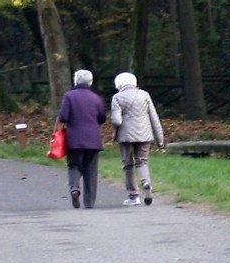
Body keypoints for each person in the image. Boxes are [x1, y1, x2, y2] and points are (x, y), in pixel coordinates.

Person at [109, 70, 166, 207]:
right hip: (144, 134)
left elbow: (117, 121)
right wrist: (160, 140)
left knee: (128, 165)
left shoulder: (117, 97)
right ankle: (146, 182)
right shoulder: (145, 95)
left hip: (125, 136)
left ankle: (134, 196)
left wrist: (115, 122)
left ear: (119, 83)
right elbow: (154, 117)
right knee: (142, 162)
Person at [55, 67, 109, 210]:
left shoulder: (69, 96)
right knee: (91, 171)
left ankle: (74, 188)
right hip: (93, 140)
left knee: (74, 165)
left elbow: (63, 117)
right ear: (90, 82)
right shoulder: (96, 98)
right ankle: (89, 202)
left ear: (75, 81)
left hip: (74, 139)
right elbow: (102, 118)